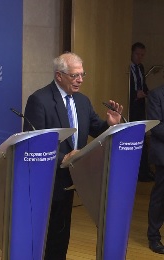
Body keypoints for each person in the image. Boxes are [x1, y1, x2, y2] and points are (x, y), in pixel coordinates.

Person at [23, 52, 123, 260]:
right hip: (48, 180)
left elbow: (95, 128)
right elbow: (33, 143)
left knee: (61, 233)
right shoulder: (39, 100)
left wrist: (109, 124)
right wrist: (62, 158)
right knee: (45, 235)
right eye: (74, 75)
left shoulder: (83, 101)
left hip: (73, 178)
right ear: (59, 76)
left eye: (82, 75)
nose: (80, 80)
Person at [130, 42, 154, 182]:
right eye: (137, 54)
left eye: (142, 55)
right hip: (130, 105)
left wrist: (147, 92)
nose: (140, 57)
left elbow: (142, 84)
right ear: (131, 53)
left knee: (142, 137)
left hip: (140, 105)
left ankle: (144, 171)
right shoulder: (127, 67)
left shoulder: (140, 67)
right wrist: (135, 94)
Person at [146, 85, 164, 254]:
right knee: (160, 197)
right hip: (163, 155)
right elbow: (156, 126)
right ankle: (153, 237)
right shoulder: (156, 95)